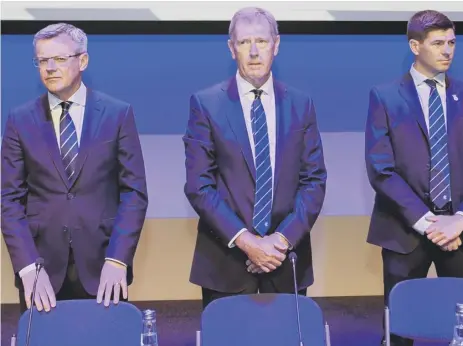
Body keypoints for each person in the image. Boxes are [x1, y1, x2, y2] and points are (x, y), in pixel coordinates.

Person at [365, 10, 463, 346]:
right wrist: (431, 224)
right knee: (399, 332)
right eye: (438, 43)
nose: (447, 50)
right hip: (404, 233)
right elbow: (382, 169)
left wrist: (460, 220)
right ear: (415, 45)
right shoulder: (385, 96)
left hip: (462, 234)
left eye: (452, 42)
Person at [183, 7, 327, 309]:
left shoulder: (301, 104)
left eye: (260, 41)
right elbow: (199, 186)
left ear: (276, 44)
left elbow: (314, 181)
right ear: (231, 48)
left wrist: (279, 242)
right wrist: (249, 243)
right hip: (225, 263)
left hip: (285, 261)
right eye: (244, 42)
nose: (253, 52)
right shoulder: (206, 104)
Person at [1, 23, 148, 313]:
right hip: (41, 273)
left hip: (104, 267)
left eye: (59, 59)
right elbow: (9, 200)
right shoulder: (20, 120)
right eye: (42, 60)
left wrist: (118, 259)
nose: (50, 68)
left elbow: (134, 193)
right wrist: (27, 267)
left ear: (82, 60)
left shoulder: (117, 114)